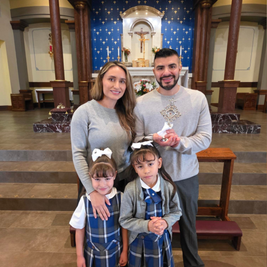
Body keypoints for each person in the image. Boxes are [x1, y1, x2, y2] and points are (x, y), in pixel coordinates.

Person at [134, 48, 212, 267]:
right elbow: (136, 139)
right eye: (160, 68)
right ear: (154, 72)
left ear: (180, 68)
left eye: (171, 66)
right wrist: (153, 138)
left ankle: (192, 263)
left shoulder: (197, 99)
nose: (166, 72)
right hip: (152, 178)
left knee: (188, 226)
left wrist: (180, 142)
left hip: (186, 174)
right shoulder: (141, 103)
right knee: (152, 226)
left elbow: (205, 138)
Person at [71, 61, 136, 220]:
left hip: (124, 181)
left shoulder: (126, 112)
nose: (117, 85)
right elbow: (78, 154)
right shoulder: (84, 112)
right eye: (111, 79)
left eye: (122, 81)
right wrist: (92, 192)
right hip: (97, 182)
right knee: (100, 232)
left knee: (123, 230)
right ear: (101, 81)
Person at [119, 140, 182, 267]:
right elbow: (124, 220)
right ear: (134, 168)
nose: (146, 171)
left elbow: (177, 212)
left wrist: (165, 222)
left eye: (150, 164)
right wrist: (147, 225)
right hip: (138, 242)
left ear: (159, 163)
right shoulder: (130, 189)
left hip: (161, 242)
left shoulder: (169, 187)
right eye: (140, 166)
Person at [69, 148, 128, 267]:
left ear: (115, 175)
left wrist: (125, 251)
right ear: (90, 176)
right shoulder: (85, 201)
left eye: (107, 179)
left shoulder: (121, 198)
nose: (102, 185)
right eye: (97, 179)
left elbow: (124, 227)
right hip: (92, 254)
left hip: (115, 252)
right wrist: (79, 256)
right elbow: (79, 229)